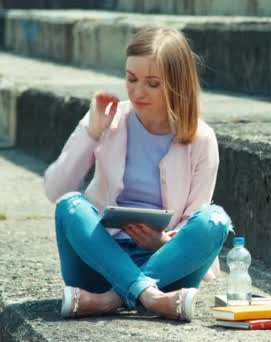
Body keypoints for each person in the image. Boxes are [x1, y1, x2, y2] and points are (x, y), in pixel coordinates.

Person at [43, 27, 231, 321]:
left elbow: (195, 216)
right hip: (101, 259)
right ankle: (149, 298)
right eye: (131, 79)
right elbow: (56, 189)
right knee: (70, 205)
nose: (138, 92)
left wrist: (162, 242)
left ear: (176, 84)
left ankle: (110, 301)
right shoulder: (109, 119)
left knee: (216, 219)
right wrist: (91, 133)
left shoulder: (201, 138)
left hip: (167, 264)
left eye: (152, 83)